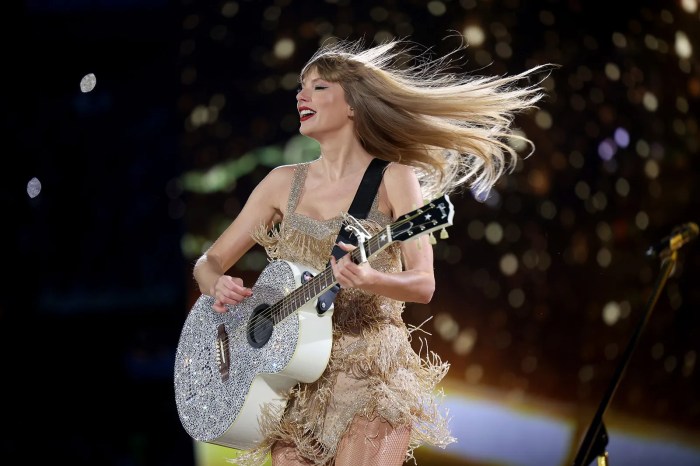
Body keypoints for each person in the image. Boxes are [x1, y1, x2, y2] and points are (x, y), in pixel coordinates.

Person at [192, 37, 553, 466]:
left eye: (319, 87)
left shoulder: (395, 179)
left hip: (369, 376)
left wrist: (371, 278)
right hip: (292, 383)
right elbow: (209, 261)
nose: (302, 96)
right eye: (300, 88)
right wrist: (216, 283)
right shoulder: (280, 183)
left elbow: (423, 284)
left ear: (352, 105)